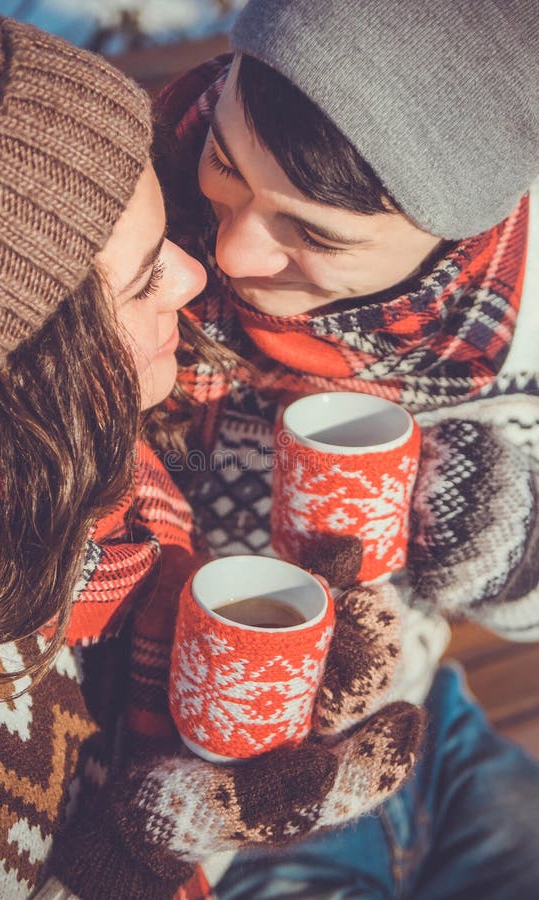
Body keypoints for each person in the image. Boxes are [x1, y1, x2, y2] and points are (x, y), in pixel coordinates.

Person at [0, 3, 426, 898]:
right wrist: (142, 848)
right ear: (21, 369)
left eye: (167, 237)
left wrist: (242, 730)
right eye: (141, 278)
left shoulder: (99, 472)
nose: (200, 274)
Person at [152, 0, 539, 896]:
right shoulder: (134, 235)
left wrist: (494, 538)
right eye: (225, 159)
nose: (237, 252)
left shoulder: (513, 322)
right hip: (229, 780)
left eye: (317, 233)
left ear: (454, 235)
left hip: (425, 711)